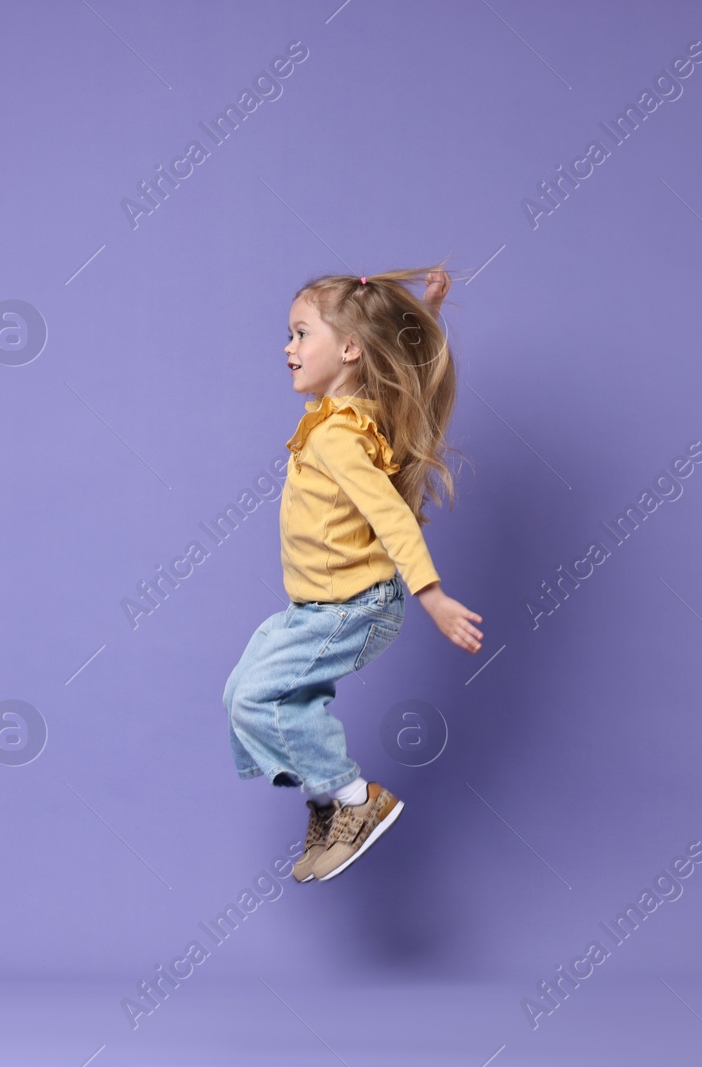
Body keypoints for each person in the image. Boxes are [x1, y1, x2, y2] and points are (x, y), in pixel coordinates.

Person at [223, 264, 485, 884]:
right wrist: (429, 312)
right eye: (287, 336)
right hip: (317, 608)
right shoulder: (346, 414)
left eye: (300, 333)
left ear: (346, 349)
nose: (288, 348)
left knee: (259, 697)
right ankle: (324, 803)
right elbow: (409, 382)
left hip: (354, 608)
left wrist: (435, 598)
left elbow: (393, 518)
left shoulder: (342, 435)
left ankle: (354, 800)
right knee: (246, 691)